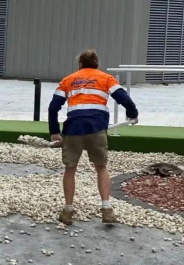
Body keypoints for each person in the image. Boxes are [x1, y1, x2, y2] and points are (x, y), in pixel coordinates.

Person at [48, 49, 138, 225]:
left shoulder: (68, 80)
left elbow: (53, 108)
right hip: (97, 128)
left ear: (80, 64)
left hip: (73, 129)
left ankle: (68, 210)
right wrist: (133, 113)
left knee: (70, 168)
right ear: (97, 63)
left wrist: (53, 132)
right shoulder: (106, 78)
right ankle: (106, 209)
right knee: (101, 167)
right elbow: (124, 98)